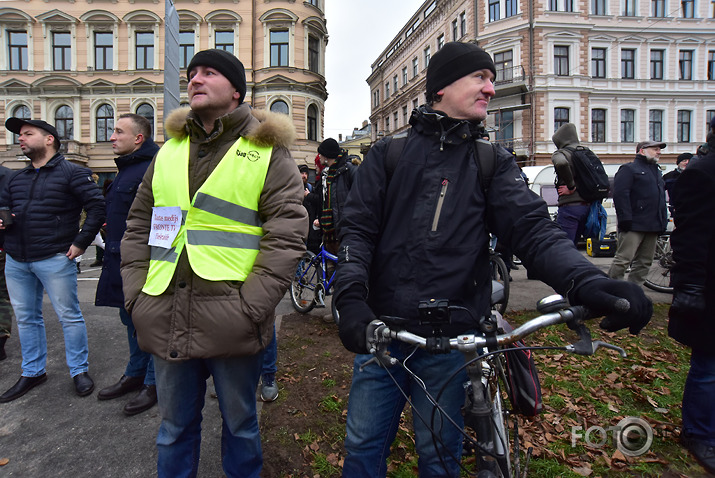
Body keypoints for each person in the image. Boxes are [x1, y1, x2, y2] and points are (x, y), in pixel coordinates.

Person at [334, 41, 653, 477]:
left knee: (440, 455)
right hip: (384, 335)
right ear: (442, 87)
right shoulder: (387, 155)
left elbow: (535, 232)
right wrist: (350, 298)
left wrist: (587, 282)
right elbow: (358, 232)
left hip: (453, 341)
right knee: (363, 446)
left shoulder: (491, 162)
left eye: (492, 80)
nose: (490, 88)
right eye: (480, 78)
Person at [119, 49, 306, 477]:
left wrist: (251, 308)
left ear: (236, 90)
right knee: (173, 428)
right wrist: (136, 296)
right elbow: (137, 226)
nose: (195, 80)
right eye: (192, 74)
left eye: (209, 73)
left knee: (240, 427)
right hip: (164, 309)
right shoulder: (169, 151)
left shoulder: (264, 149)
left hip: (232, 318)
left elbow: (288, 233)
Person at [0, 118, 105, 402]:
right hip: (17, 259)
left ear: (49, 139)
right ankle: (33, 372)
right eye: (19, 135)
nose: (20, 139)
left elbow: (96, 205)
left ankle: (79, 371)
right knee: (27, 318)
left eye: (27, 134)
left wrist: (81, 242)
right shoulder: (16, 178)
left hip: (55, 257)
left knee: (69, 316)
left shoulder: (72, 173)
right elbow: (6, 208)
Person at [95, 113, 160, 416]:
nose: (111, 136)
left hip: (143, 264)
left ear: (138, 139)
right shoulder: (126, 169)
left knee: (147, 324)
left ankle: (153, 383)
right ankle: (135, 374)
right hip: (120, 261)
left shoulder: (153, 169)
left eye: (118, 131)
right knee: (129, 322)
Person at [668, 115, 715, 474]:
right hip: (709, 284)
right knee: (709, 365)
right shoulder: (703, 173)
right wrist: (691, 286)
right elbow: (691, 236)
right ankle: (699, 432)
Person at [608, 140, 668, 285]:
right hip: (633, 224)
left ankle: (634, 293)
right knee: (623, 259)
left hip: (652, 225)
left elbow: (660, 200)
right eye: (655, 149)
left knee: (645, 262)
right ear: (642, 151)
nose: (658, 152)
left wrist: (662, 221)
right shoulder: (629, 169)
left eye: (659, 149)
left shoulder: (657, 172)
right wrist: (625, 219)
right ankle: (610, 290)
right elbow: (620, 195)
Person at [551, 123, 591, 245]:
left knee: (564, 246)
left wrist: (571, 186)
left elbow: (561, 164)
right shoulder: (587, 152)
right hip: (588, 207)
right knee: (575, 246)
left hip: (570, 206)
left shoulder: (562, 153)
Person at [316, 138, 356, 255]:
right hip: (328, 235)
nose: (319, 156)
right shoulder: (327, 174)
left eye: (321, 153)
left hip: (342, 235)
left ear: (326, 155)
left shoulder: (347, 171)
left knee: (342, 270)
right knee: (330, 271)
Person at [0, 164, 13, 361]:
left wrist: (8, 218)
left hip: (2, 249)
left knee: (2, 295)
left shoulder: (9, 177)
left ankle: (1, 338)